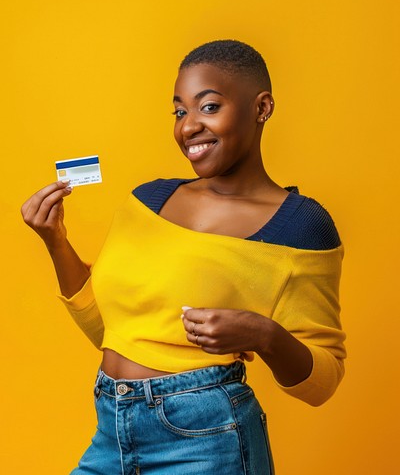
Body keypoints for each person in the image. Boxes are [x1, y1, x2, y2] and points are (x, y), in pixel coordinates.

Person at [21, 40, 346, 475]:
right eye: (179, 112)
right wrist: (55, 239)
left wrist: (264, 335)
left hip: (209, 438)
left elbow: (322, 383)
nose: (188, 126)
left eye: (208, 107)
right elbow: (109, 330)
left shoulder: (299, 226)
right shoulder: (147, 200)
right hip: (111, 428)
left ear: (261, 107)